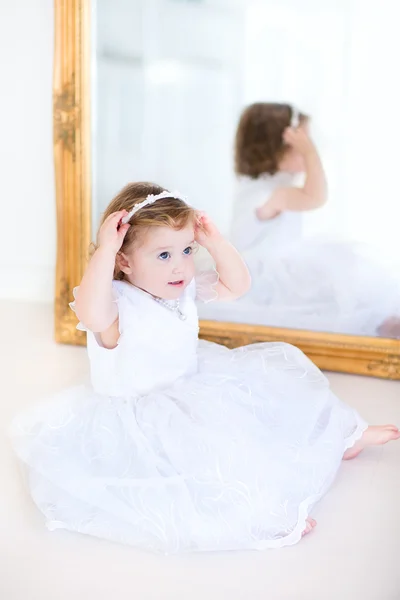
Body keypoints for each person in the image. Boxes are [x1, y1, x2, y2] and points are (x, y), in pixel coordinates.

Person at [11, 182, 399, 554]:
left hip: (194, 385)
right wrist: (105, 249)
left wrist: (214, 240)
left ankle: (345, 435)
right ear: (124, 261)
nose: (180, 266)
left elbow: (239, 285)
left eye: (187, 250)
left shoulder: (182, 288)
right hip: (143, 416)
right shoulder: (115, 304)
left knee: (280, 393)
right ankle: (258, 515)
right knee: (212, 469)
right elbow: (92, 314)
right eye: (164, 255)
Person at [228, 102, 400, 337]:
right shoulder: (267, 194)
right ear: (276, 147)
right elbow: (315, 197)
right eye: (302, 143)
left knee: (350, 290)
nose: (309, 148)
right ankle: (382, 326)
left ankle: (383, 324)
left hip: (282, 268)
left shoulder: (274, 188)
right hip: (265, 280)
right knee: (333, 297)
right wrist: (311, 154)